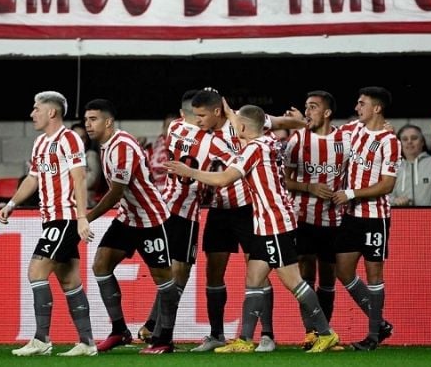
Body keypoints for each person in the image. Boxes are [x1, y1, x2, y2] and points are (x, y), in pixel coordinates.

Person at [166, 101, 340, 353]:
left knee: (294, 281)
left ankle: (325, 333)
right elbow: (246, 125)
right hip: (265, 220)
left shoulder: (253, 150)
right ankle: (245, 340)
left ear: (245, 127)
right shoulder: (268, 142)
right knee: (254, 278)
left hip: (274, 222)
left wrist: (189, 171)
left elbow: (224, 178)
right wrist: (227, 112)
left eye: (239, 124)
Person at [187, 88, 306, 353]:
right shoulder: (198, 137)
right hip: (219, 208)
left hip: (248, 209)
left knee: (260, 273)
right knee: (214, 271)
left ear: (217, 111)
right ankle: (216, 334)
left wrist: (303, 123)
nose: (198, 121)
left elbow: (279, 122)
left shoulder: (241, 124)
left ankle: (267, 334)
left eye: (202, 115)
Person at [0, 91, 97, 357]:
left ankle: (41, 339)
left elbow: (79, 178)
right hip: (50, 218)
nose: (32, 114)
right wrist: (11, 204)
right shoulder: (40, 143)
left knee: (36, 271)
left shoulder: (70, 139)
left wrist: (81, 217)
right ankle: (87, 343)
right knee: (69, 280)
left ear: (51, 112)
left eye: (36, 109)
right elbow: (32, 178)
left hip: (64, 218)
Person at [83, 98, 180, 355]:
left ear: (108, 121)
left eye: (93, 119)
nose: (88, 125)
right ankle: (119, 331)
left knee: (164, 280)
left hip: (150, 220)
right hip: (128, 218)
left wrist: (87, 218)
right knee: (101, 266)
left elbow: (116, 193)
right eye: (86, 120)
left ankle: (164, 340)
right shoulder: (107, 146)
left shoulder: (123, 146)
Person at [137, 90, 230, 344]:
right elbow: (234, 155)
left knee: (169, 275)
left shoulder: (174, 128)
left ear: (181, 114)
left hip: (165, 205)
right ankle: (160, 333)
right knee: (180, 276)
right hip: (187, 213)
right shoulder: (213, 141)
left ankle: (151, 325)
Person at [332, 86, 400, 351]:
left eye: (362, 103)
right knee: (344, 271)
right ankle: (380, 323)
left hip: (375, 218)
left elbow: (387, 185)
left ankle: (372, 336)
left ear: (377, 108)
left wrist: (350, 192)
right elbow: (327, 134)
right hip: (352, 216)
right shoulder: (354, 130)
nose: (357, 107)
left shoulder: (389, 141)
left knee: (374, 275)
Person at [282, 90, 344, 349]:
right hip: (302, 217)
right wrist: (309, 188)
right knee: (307, 274)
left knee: (328, 279)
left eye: (313, 107)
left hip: (334, 220)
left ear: (327, 112)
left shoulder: (345, 139)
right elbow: (284, 180)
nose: (307, 112)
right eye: (306, 107)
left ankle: (325, 335)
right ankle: (311, 333)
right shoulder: (297, 139)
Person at [390, 125, 431, 206]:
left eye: (414, 138)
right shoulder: (394, 168)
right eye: (405, 139)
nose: (409, 142)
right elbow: (386, 197)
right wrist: (395, 201)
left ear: (422, 142)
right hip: (404, 217)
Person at [72, 123, 106, 207]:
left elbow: (92, 180)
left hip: (87, 205)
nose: (79, 141)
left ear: (87, 139)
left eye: (82, 137)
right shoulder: (66, 157)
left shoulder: (91, 155)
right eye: (75, 137)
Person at [147, 114, 177, 191]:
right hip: (154, 189)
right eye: (168, 126)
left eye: (174, 127)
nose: (171, 130)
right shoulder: (152, 147)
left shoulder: (186, 148)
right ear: (163, 128)